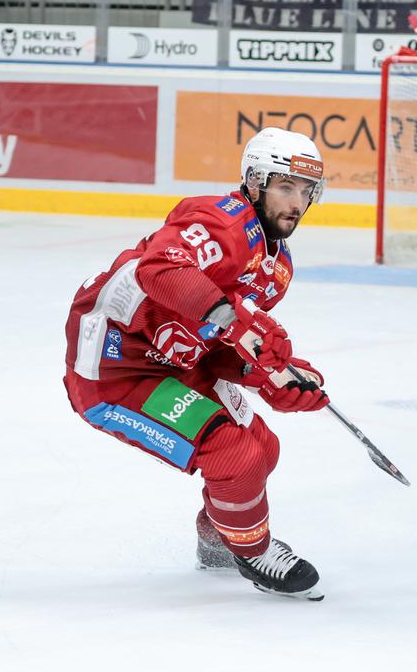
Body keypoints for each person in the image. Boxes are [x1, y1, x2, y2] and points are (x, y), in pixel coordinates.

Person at [62, 127, 332, 599]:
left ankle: (219, 539)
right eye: (285, 187)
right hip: (117, 369)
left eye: (306, 191)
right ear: (254, 182)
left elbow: (220, 341)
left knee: (263, 448)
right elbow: (161, 269)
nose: (296, 202)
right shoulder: (219, 222)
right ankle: (255, 551)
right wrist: (240, 325)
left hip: (174, 360)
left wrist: (269, 374)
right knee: (235, 455)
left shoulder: (278, 267)